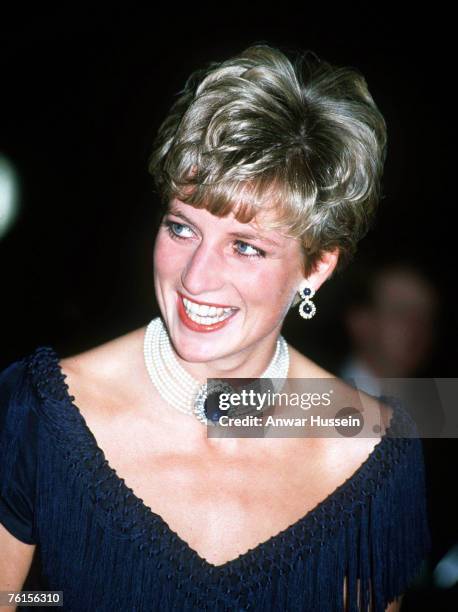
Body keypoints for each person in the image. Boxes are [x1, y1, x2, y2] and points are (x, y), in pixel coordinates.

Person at [0, 44, 430, 611]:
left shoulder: (373, 455)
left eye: (245, 247)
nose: (196, 279)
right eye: (182, 228)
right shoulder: (39, 409)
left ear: (317, 267)